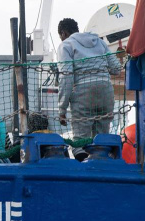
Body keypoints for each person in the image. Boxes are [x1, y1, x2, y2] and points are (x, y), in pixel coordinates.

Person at [57, 18, 121, 161]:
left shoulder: (65, 45)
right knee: (101, 142)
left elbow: (66, 78)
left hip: (83, 93)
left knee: (80, 143)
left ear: (64, 33)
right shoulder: (99, 41)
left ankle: (84, 174)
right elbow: (116, 68)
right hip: (106, 90)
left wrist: (62, 110)